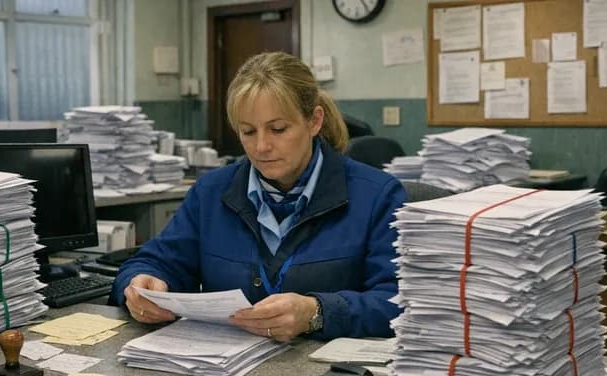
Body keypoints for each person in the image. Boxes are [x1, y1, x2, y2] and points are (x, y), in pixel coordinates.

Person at [111, 51, 406, 342]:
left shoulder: (378, 196)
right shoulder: (211, 192)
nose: (261, 146)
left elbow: (400, 301)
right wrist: (140, 284)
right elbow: (154, 262)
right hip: (222, 372)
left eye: (278, 129)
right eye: (248, 131)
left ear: (314, 121)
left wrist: (317, 313)